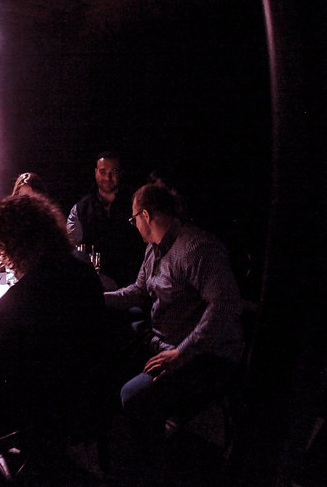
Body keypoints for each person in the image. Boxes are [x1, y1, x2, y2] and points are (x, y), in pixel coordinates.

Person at [104, 183, 244, 476]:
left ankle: (154, 470)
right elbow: (138, 291)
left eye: (133, 219)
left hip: (203, 354)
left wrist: (182, 352)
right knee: (109, 360)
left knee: (134, 396)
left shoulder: (197, 248)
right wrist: (97, 298)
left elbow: (226, 305)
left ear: (145, 214)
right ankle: (129, 446)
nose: (133, 225)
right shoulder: (153, 250)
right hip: (166, 342)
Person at [0, 193, 127, 463]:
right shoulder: (83, 268)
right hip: (93, 393)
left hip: (44, 410)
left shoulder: (17, 300)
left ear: (13, 246)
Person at [66, 152, 144, 287]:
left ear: (121, 173)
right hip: (94, 284)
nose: (108, 177)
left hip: (132, 283)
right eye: (103, 171)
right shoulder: (80, 209)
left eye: (113, 171)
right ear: (95, 172)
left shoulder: (135, 204)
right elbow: (72, 249)